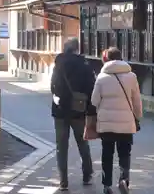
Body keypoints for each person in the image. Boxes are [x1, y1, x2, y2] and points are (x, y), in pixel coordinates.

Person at [91, 47, 142, 194]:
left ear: (106, 59)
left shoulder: (101, 77)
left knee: (107, 154)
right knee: (124, 153)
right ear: (121, 58)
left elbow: (94, 101)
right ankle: (123, 180)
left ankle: (107, 186)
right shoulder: (131, 76)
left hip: (106, 124)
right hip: (126, 123)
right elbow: (137, 100)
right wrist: (137, 117)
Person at [51, 37, 96, 191]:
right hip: (79, 109)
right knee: (82, 143)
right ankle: (87, 175)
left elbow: (53, 85)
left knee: (61, 146)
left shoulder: (59, 63)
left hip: (60, 110)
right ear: (77, 48)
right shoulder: (84, 64)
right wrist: (90, 110)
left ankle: (63, 180)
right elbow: (91, 87)